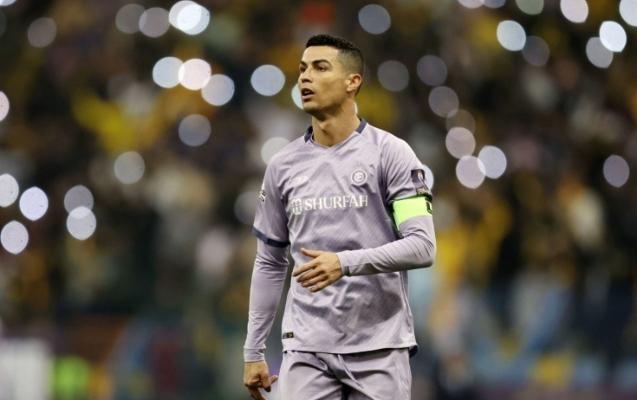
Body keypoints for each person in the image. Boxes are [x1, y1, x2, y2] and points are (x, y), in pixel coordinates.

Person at [243, 34, 436, 400]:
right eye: (302, 69)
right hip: (306, 348)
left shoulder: (392, 154)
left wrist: (344, 263)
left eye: (320, 68)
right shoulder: (282, 166)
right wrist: (253, 350)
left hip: (379, 346)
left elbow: (422, 246)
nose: (305, 77)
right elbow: (269, 261)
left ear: (352, 82)